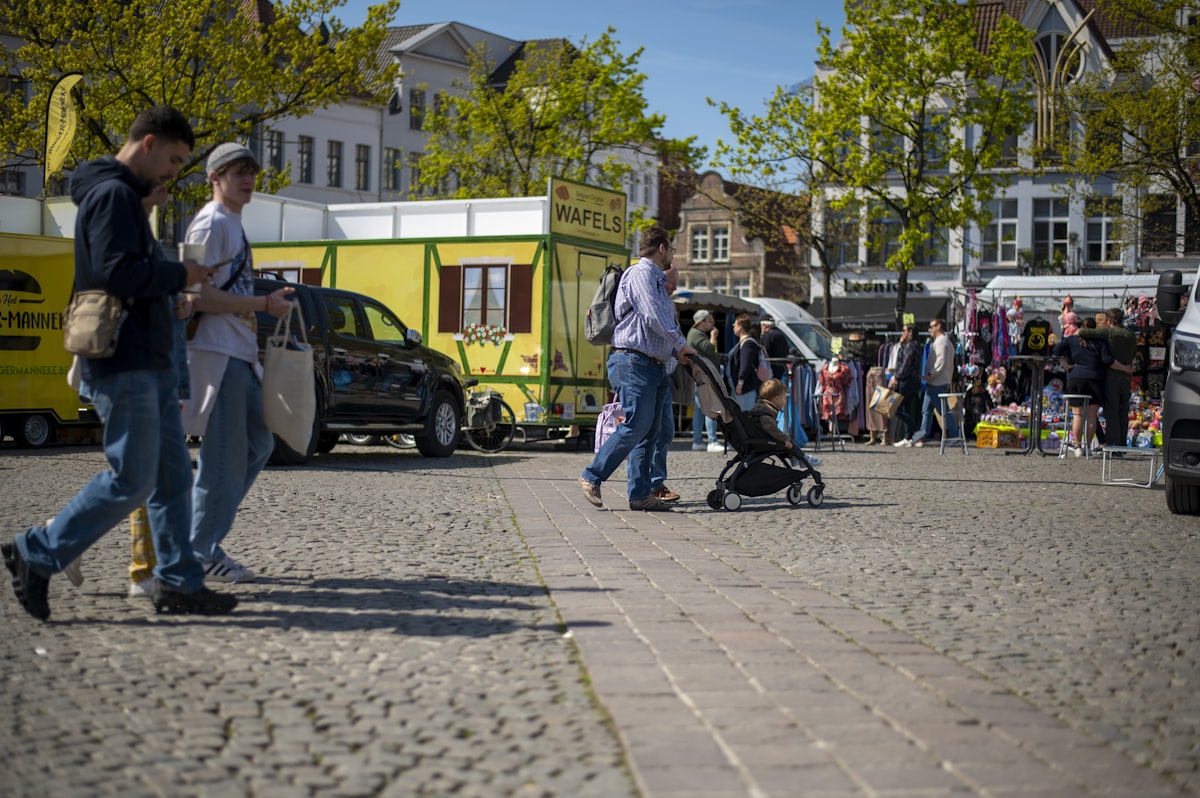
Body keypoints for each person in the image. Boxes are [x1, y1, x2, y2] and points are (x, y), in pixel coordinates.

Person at [2, 105, 237, 620]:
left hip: (145, 357)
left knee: (173, 479)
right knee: (131, 478)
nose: (175, 172)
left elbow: (130, 273)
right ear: (148, 143)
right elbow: (115, 274)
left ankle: (177, 582)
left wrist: (170, 289)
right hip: (125, 359)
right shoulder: (113, 197)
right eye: (174, 159)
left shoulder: (123, 197)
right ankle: (36, 552)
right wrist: (180, 275)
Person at [182, 143, 295, 582]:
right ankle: (198, 549)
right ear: (214, 177)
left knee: (258, 445)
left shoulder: (231, 224)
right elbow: (193, 295)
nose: (247, 179)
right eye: (236, 172)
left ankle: (196, 538)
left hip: (238, 353)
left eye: (251, 172)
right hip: (217, 353)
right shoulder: (210, 223)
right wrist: (263, 303)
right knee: (225, 459)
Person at [579, 227, 696, 512]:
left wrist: (676, 352)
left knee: (651, 432)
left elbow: (659, 324)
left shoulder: (657, 281)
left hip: (652, 365)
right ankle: (591, 476)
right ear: (660, 249)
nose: (672, 254)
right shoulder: (641, 274)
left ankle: (640, 494)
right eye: (671, 249)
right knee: (636, 424)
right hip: (634, 361)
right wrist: (680, 345)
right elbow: (652, 315)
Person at [1053, 316, 1113, 457]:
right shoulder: (1100, 341)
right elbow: (1106, 360)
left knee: (1078, 414)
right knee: (1092, 414)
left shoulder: (1071, 340)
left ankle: (1077, 446)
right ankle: (1088, 447)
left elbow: (1056, 350)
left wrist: (1066, 365)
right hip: (1095, 378)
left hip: (1075, 377)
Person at [1078, 307, 1136, 448]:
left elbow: (1083, 332)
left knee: (1112, 414)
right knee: (1123, 413)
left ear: (1109, 321)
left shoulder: (1110, 332)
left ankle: (1113, 445)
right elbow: (1133, 353)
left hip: (1112, 378)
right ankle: (1122, 444)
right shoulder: (1131, 335)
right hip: (1126, 378)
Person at [649, 264, 682, 503]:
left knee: (666, 432)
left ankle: (653, 483)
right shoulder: (654, 302)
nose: (675, 288)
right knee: (648, 432)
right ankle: (651, 485)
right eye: (672, 282)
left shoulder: (668, 304)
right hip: (651, 371)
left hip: (663, 376)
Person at [911, 318, 958, 447]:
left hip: (937, 382)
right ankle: (922, 435)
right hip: (934, 382)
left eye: (931, 327)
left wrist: (930, 374)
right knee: (926, 410)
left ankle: (955, 435)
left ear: (938, 327)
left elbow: (940, 362)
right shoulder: (943, 341)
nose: (929, 330)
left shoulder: (942, 342)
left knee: (943, 410)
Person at [687, 309, 723, 452]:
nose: (713, 324)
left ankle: (698, 441)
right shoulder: (696, 334)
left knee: (700, 409)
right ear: (702, 322)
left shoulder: (696, 334)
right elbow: (710, 348)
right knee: (710, 407)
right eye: (710, 320)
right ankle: (712, 441)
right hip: (704, 377)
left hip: (701, 377)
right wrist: (713, 336)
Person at [890, 324, 923, 447]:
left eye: (903, 330)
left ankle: (917, 432)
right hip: (911, 380)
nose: (901, 333)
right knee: (906, 408)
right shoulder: (913, 345)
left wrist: (896, 377)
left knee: (897, 409)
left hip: (906, 380)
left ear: (910, 332)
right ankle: (908, 437)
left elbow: (906, 364)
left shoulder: (910, 346)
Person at [728, 314, 764, 412]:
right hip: (740, 387)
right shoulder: (743, 343)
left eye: (735, 325)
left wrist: (740, 383)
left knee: (746, 415)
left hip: (746, 387)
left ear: (741, 327)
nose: (733, 327)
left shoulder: (748, 344)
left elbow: (745, 364)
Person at [760, 315, 790, 380]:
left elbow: (765, 353)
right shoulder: (781, 335)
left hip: (771, 369)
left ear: (764, 326)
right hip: (782, 368)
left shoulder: (767, 336)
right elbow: (787, 350)